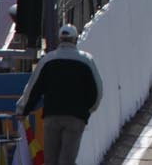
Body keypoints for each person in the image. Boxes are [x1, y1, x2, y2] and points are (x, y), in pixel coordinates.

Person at [17, 24, 102, 165]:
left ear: (59, 40)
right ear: (75, 40)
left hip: (52, 116)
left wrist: (23, 110)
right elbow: (97, 91)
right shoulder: (86, 60)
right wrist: (86, 111)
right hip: (75, 117)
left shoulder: (48, 60)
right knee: (67, 161)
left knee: (50, 160)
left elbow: (33, 88)